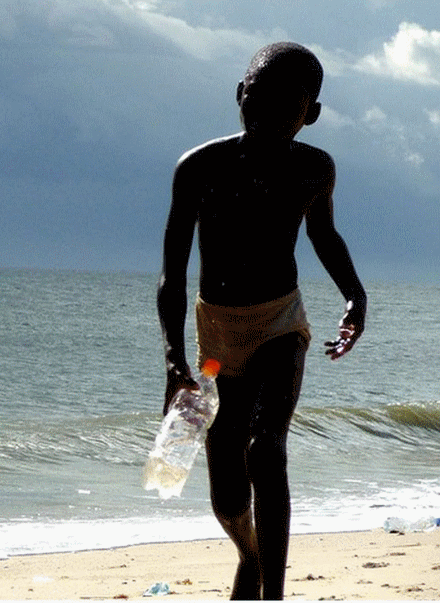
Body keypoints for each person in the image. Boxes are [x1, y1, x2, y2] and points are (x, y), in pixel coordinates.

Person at [157, 42, 366, 600]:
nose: (271, 110)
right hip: (216, 335)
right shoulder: (200, 167)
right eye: (259, 95)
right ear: (239, 95)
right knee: (226, 492)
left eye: (288, 102)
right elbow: (172, 275)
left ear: (311, 113)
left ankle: (272, 593)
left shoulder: (313, 169)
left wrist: (355, 295)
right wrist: (175, 361)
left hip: (279, 321)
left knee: (267, 447)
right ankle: (250, 556)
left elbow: (322, 233)